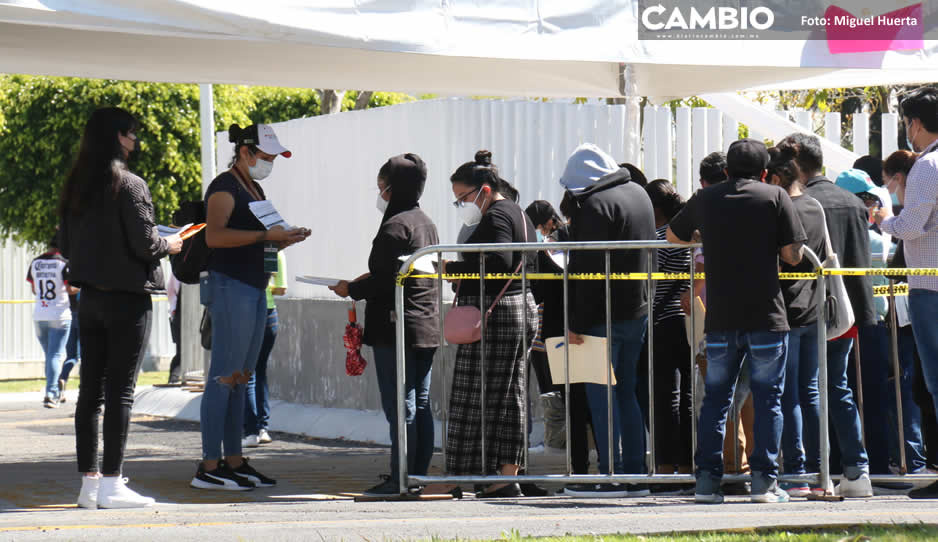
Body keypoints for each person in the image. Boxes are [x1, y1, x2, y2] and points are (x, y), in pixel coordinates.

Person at [668, 138, 806, 504]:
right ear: (764, 172)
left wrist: (702, 235)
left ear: (726, 171)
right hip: (766, 314)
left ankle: (707, 483)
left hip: (721, 317)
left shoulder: (706, 199)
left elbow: (672, 235)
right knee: (768, 400)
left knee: (715, 400)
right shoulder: (776, 197)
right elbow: (793, 254)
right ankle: (764, 483)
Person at [58, 107, 184, 508]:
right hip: (127, 299)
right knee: (120, 393)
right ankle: (113, 483)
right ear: (117, 137)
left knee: (89, 394)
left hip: (90, 298)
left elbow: (66, 243)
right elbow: (146, 244)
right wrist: (173, 244)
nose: (134, 141)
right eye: (131, 134)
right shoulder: (130, 185)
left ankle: (89, 485)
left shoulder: (76, 186)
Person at [193, 123, 309, 491]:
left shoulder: (253, 187)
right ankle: (209, 465)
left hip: (255, 287)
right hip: (231, 288)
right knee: (224, 376)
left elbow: (259, 245)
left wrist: (282, 242)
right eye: (266, 156)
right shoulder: (224, 188)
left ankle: (234, 460)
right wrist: (266, 236)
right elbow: (214, 235)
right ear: (245, 152)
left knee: (241, 376)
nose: (270, 163)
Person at [329, 153, 440, 497]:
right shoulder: (425, 223)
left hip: (396, 327)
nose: (379, 196)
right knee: (420, 405)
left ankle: (400, 478)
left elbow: (384, 280)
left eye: (381, 188)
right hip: (425, 325)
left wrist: (352, 289)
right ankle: (417, 474)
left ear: (394, 189)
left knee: (400, 407)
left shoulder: (394, 226)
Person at [778, 132, 874, 497]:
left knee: (804, 393)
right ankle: (856, 469)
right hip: (845, 309)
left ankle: (810, 473)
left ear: (796, 162)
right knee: (838, 389)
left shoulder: (800, 203)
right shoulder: (851, 201)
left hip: (809, 310)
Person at [559, 143, 656, 498]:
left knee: (602, 396)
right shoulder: (638, 194)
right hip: (637, 310)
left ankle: (609, 475)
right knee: (627, 391)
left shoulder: (596, 206)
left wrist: (573, 321)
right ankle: (634, 472)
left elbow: (585, 270)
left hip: (601, 314)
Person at [439, 150, 537, 498]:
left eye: (462, 198)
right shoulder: (517, 212)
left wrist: (451, 270)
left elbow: (497, 262)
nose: (461, 204)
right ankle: (506, 476)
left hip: (493, 315)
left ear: (482, 189)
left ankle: (453, 479)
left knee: (469, 396)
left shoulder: (497, 215)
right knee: (512, 395)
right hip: (516, 309)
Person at [872, 87, 938, 498]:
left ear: (914, 123)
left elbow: (911, 224)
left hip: (930, 286)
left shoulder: (927, 167)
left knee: (936, 379)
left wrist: (883, 220)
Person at [765, 146, 826, 497]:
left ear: (774, 178)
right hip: (812, 308)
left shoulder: (778, 208)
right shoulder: (815, 206)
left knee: (787, 396)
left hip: (783, 311)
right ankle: (820, 469)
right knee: (810, 393)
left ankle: (798, 473)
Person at [525, 200, 595, 476]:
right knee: (590, 400)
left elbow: (539, 292)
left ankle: (579, 468)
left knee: (570, 401)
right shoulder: (591, 244)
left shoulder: (549, 248)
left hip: (556, 333)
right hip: (588, 328)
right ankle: (610, 466)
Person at [644, 180, 693, 475]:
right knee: (688, 396)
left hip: (663, 321)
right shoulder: (689, 235)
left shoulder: (659, 238)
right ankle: (688, 462)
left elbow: (652, 281)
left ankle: (665, 465)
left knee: (665, 398)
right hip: (688, 321)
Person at [243, 251, 287, 448]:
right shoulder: (276, 252)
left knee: (248, 372)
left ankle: (251, 431)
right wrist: (267, 285)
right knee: (261, 371)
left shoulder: (241, 248)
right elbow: (281, 289)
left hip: (247, 309)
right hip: (270, 312)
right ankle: (263, 427)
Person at [27, 235, 76, 408]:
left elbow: (34, 289)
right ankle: (51, 392)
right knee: (55, 355)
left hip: (40, 315)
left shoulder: (36, 262)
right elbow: (70, 288)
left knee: (49, 356)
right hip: (59, 314)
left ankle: (53, 391)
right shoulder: (63, 263)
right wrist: (82, 287)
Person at [166, 272, 182, 385]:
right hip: (180, 315)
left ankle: (174, 379)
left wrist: (173, 309)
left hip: (179, 314)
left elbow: (171, 291)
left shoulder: (179, 268)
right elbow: (171, 290)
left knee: (180, 352)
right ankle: (174, 379)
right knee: (181, 353)